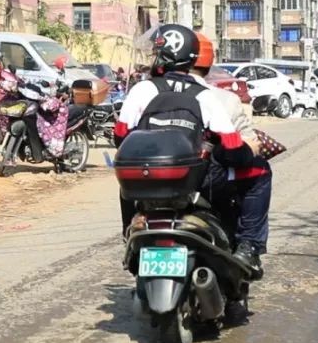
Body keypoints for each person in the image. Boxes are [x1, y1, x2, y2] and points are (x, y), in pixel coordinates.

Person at [114, 24, 271, 274]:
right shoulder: (206, 96)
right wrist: (249, 151)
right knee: (260, 172)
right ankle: (249, 246)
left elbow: (120, 138)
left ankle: (130, 236)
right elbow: (231, 149)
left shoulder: (141, 90)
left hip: (145, 184)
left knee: (125, 184)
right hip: (195, 182)